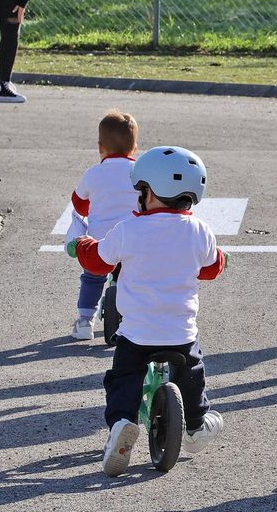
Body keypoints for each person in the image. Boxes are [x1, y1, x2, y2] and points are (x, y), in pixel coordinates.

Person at [71, 145, 229, 477]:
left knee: (123, 379)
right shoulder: (200, 231)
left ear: (150, 193)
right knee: (192, 375)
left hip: (137, 332)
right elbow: (212, 268)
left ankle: (122, 425)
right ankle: (197, 425)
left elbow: (98, 260)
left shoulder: (129, 230)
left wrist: (80, 244)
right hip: (180, 333)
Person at [65, 110, 140, 340]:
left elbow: (79, 202)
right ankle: (135, 318)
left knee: (92, 275)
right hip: (132, 239)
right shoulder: (140, 172)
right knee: (135, 277)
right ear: (134, 147)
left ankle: (85, 321)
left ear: (100, 147)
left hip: (100, 241)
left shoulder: (94, 173)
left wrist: (92, 209)